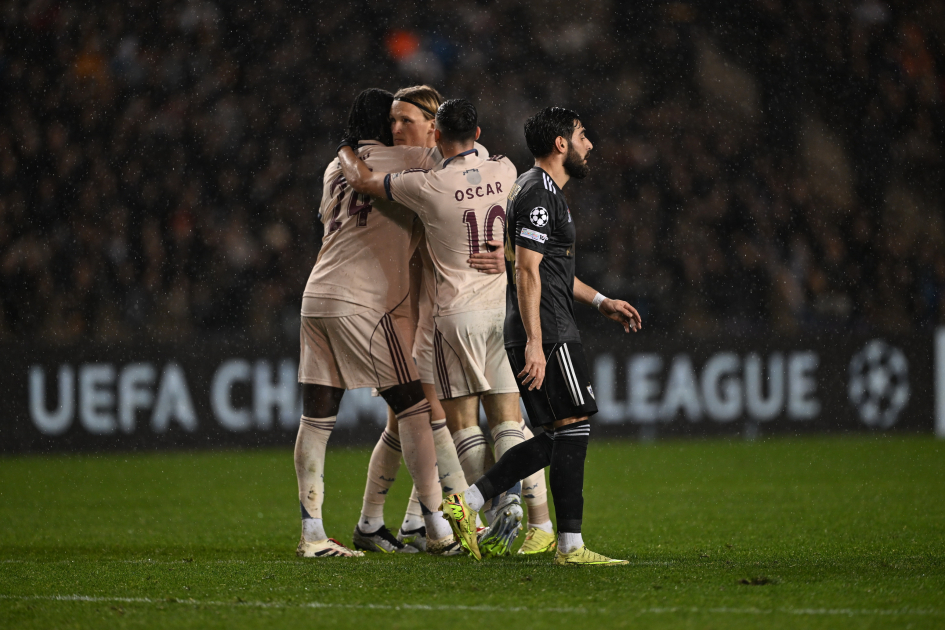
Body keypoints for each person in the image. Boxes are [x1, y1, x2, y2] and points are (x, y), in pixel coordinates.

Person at [352, 86, 553, 555]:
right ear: (477, 132)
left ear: (435, 131)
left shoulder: (425, 184)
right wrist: (506, 253)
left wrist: (348, 147)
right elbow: (524, 228)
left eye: (407, 121)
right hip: (499, 310)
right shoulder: (505, 168)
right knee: (503, 420)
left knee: (456, 424)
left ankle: (488, 510)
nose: (397, 129)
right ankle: (512, 513)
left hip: (450, 314)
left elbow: (366, 183)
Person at [441, 107, 643, 565]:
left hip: (540, 326)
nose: (589, 144)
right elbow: (527, 270)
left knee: (558, 435)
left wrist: (600, 301)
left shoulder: (536, 188)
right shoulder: (538, 192)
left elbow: (548, 267)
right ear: (561, 143)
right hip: (547, 330)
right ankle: (568, 544)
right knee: (574, 427)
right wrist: (536, 342)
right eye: (582, 135)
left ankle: (469, 501)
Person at [294, 88, 460, 558]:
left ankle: (312, 534)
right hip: (363, 302)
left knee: (316, 420)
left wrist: (346, 147)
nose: (397, 127)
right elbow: (461, 161)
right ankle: (437, 529)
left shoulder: (334, 167)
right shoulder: (411, 158)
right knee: (416, 409)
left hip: (316, 296)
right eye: (393, 120)